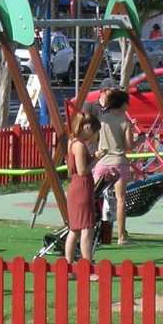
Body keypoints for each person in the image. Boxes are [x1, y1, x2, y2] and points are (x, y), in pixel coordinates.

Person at [92, 88, 139, 245]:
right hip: (119, 161)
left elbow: (95, 138)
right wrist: (142, 139)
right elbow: (129, 146)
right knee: (120, 199)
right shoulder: (125, 122)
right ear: (123, 104)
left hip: (102, 161)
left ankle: (91, 231)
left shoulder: (103, 119)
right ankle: (121, 236)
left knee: (93, 196)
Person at [63, 110, 98, 265]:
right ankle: (87, 265)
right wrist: (96, 158)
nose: (94, 137)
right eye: (94, 132)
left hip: (76, 187)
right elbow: (82, 170)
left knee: (75, 229)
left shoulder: (72, 141)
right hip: (82, 187)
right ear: (87, 128)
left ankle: (68, 264)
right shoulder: (80, 146)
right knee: (86, 228)